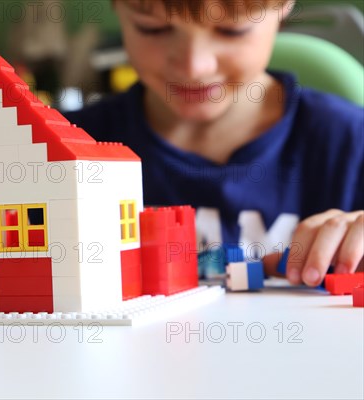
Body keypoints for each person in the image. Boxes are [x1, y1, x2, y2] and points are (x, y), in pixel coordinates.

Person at [64, 0, 363, 286]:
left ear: (284, 5)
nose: (195, 67)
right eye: (152, 28)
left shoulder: (351, 143)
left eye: (231, 30)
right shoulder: (63, 146)